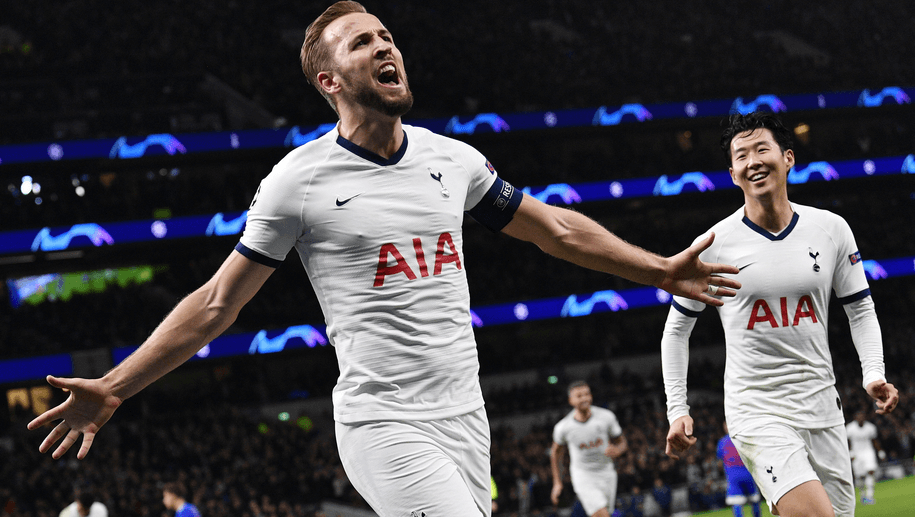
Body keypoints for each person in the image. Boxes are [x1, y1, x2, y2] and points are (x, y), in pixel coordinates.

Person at [26, 2, 741, 516]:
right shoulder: (297, 182)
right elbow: (218, 303)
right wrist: (116, 385)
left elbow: (553, 229)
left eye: (386, 36)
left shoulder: (452, 159)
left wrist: (658, 269)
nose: (383, 47)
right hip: (383, 424)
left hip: (467, 418)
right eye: (361, 42)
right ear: (329, 81)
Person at [661, 111, 900, 517]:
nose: (752, 161)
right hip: (756, 410)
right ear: (733, 174)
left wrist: (873, 372)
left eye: (762, 149)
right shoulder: (714, 244)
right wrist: (677, 409)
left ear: (788, 158)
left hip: (823, 406)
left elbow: (860, 308)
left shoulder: (831, 229)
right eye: (741, 156)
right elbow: (676, 331)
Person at [550, 381, 628, 517]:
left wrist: (618, 450)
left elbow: (622, 442)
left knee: (605, 513)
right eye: (579, 396)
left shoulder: (606, 417)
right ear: (570, 400)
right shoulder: (563, 427)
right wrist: (557, 482)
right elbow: (555, 453)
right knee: (601, 514)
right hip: (583, 475)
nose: (584, 398)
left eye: (587, 394)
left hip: (607, 473)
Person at [717, 421, 761, 517]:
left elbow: (719, 462)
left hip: (733, 476)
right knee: (754, 499)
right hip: (748, 473)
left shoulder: (722, 442)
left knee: (736, 501)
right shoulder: (744, 438)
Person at [846, 410, 881, 505]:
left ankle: (870, 496)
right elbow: (847, 442)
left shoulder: (870, 427)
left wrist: (880, 451)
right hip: (856, 453)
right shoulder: (850, 428)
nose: (861, 418)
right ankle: (863, 496)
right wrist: (850, 452)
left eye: (862, 416)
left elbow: (874, 440)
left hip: (868, 452)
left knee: (870, 471)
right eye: (859, 416)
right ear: (855, 418)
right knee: (860, 476)